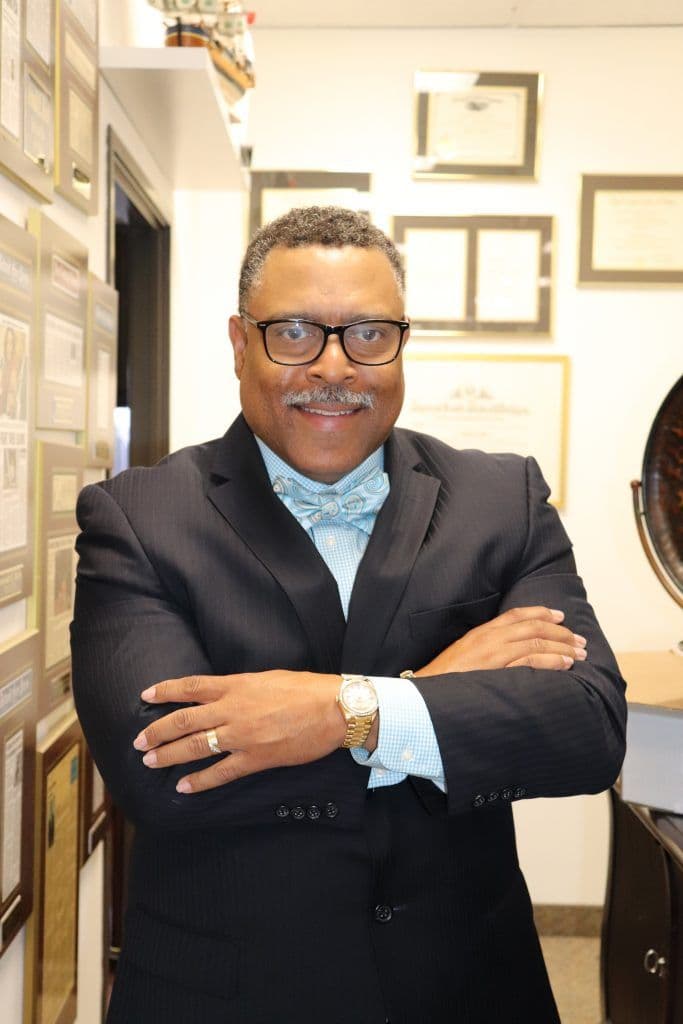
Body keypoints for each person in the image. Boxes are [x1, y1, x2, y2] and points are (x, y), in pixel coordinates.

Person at [71, 207, 626, 1024]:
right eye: (293, 332)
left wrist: (341, 713)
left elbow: (586, 729)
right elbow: (167, 778)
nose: (333, 367)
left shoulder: (499, 499)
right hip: (230, 992)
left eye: (368, 334)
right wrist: (432, 695)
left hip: (466, 984)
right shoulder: (139, 518)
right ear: (239, 343)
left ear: (401, 343)